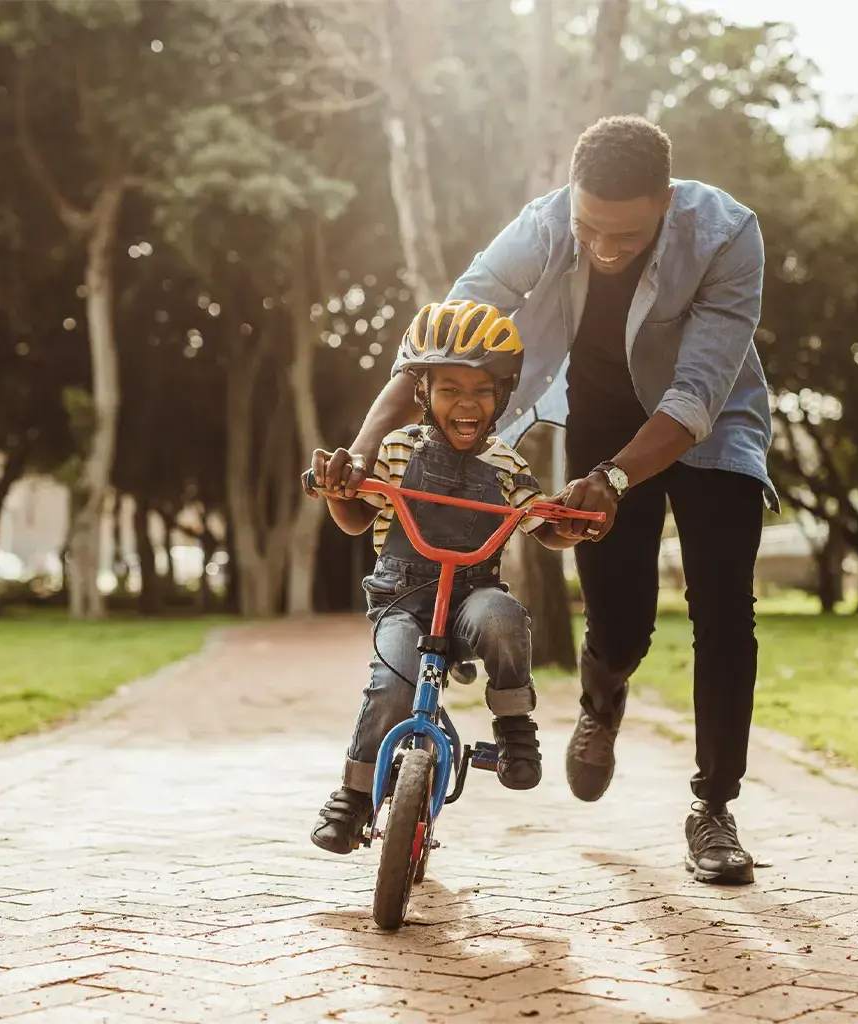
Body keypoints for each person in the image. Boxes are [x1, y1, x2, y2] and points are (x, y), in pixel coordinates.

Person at [315, 115, 777, 885]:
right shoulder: (542, 225)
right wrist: (362, 452)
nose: (603, 249)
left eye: (626, 237)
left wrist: (617, 481)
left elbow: (696, 394)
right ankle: (603, 701)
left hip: (711, 421)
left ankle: (714, 807)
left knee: (724, 607)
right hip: (603, 413)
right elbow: (437, 344)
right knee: (621, 624)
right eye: (590, 229)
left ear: (666, 200)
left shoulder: (728, 235)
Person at [305, 299, 586, 856]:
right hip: (403, 598)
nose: (467, 403)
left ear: (502, 396)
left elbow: (542, 525)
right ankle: (355, 795)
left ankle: (513, 727)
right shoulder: (394, 449)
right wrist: (340, 492)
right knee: (393, 683)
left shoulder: (507, 465)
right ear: (423, 394)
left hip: (471, 596)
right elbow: (358, 516)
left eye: (483, 391)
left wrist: (571, 524)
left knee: (505, 618)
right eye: (450, 388)